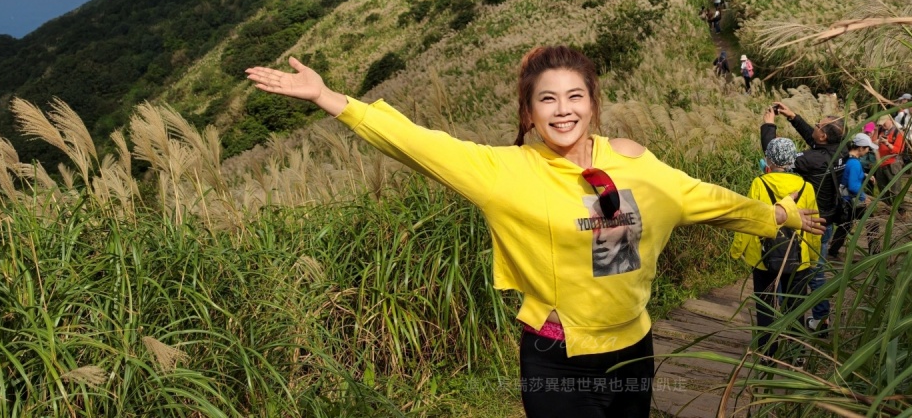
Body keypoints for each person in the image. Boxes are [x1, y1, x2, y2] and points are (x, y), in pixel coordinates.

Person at [245, 46, 823, 418]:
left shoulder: (635, 165)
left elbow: (705, 200)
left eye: (575, 97)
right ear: (530, 113)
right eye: (548, 99)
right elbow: (420, 144)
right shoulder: (507, 174)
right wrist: (331, 100)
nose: (563, 110)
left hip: (632, 352)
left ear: (594, 105)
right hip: (555, 355)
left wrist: (779, 214)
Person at [730, 136, 819, 355]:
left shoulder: (760, 183)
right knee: (796, 306)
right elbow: (813, 224)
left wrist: (736, 251)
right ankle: (796, 353)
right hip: (799, 257)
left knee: (765, 305)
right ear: (792, 159)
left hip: (764, 256)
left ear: (768, 160)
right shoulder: (806, 187)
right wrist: (814, 257)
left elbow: (748, 219)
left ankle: (767, 353)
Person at [770, 102, 846, 332]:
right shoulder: (840, 149)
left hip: (809, 223)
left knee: (805, 271)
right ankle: (816, 317)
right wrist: (794, 116)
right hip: (827, 221)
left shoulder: (813, 159)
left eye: (817, 125)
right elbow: (814, 143)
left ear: (823, 135)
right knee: (814, 270)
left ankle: (807, 319)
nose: (814, 126)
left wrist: (768, 127)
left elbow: (777, 159)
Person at [829, 134, 875, 257]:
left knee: (846, 225)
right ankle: (874, 252)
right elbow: (853, 186)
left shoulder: (845, 158)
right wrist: (865, 197)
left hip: (843, 199)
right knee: (873, 222)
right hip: (851, 200)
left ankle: (833, 250)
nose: (868, 151)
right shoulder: (855, 164)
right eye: (867, 148)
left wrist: (864, 175)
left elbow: (847, 174)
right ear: (860, 148)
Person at [874, 115, 906, 211]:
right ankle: (887, 208)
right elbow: (872, 143)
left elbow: (898, 150)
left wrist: (887, 143)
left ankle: (900, 210)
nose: (882, 124)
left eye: (884, 122)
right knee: (882, 189)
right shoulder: (880, 130)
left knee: (896, 190)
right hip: (881, 163)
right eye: (881, 123)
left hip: (893, 164)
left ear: (890, 120)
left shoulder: (898, 132)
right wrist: (878, 141)